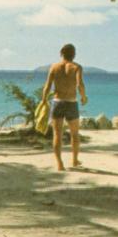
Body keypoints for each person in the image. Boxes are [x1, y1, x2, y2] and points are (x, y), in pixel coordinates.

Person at [41, 43, 88, 171]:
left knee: (57, 134)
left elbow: (47, 86)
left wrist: (44, 100)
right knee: (75, 135)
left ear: (61, 53)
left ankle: (60, 164)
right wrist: (83, 97)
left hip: (57, 102)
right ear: (73, 54)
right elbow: (80, 85)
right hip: (71, 102)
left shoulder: (54, 67)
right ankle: (74, 160)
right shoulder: (77, 67)